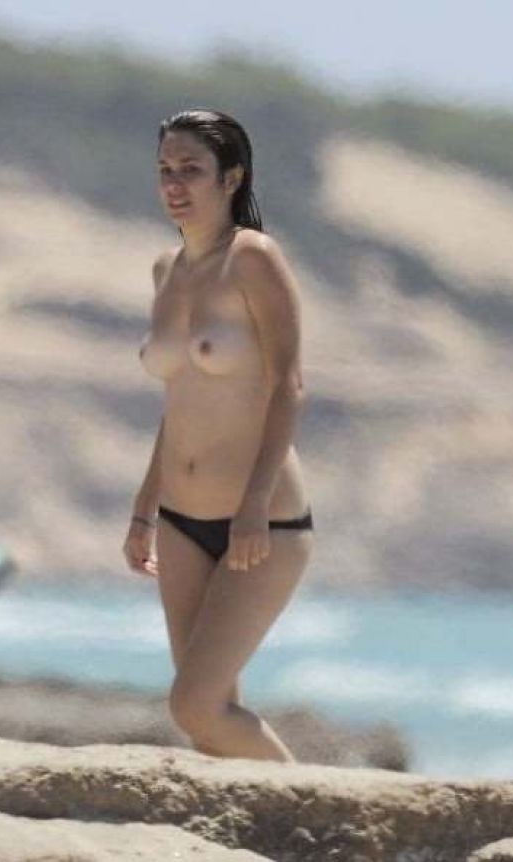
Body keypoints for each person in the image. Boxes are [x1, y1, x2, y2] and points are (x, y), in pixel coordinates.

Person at [123, 109, 314, 763]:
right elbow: (178, 403)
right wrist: (144, 510)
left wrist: (254, 506)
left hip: (260, 520)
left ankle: (313, 805)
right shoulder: (165, 270)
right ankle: (259, 822)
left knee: (195, 705)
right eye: (165, 170)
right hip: (180, 521)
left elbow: (287, 385)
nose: (174, 184)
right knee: (205, 721)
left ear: (231, 178)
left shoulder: (252, 259)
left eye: (191, 170)